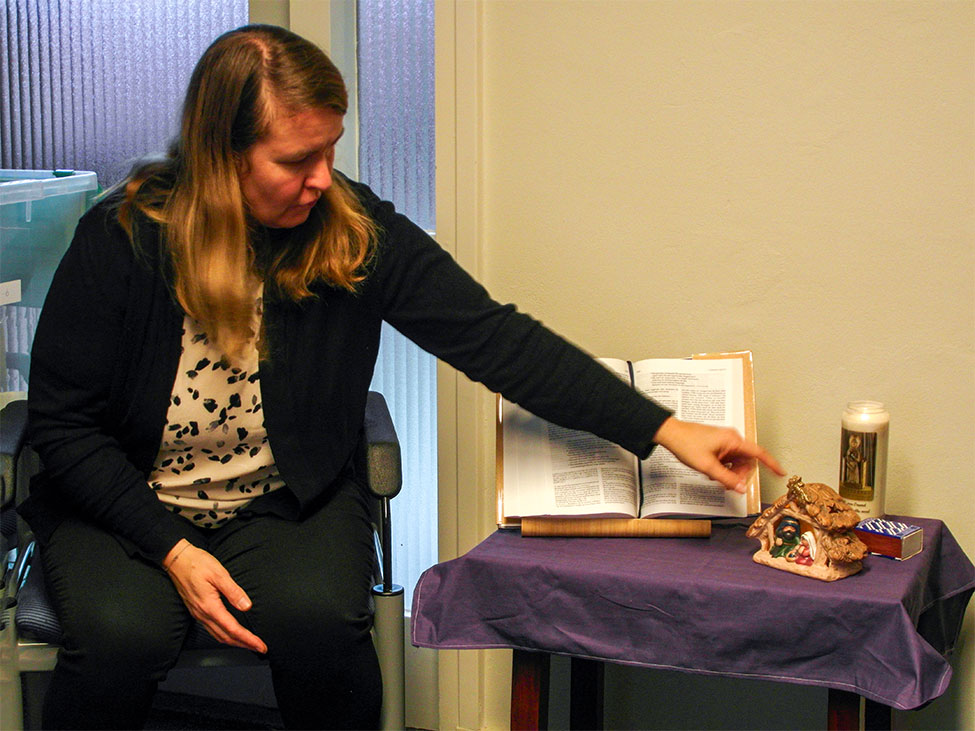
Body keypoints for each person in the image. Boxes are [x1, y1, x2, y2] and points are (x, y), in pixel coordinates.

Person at [21, 23, 784, 730]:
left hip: (281, 500)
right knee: (122, 635)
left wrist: (663, 428)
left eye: (330, 150)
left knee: (322, 622)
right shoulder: (121, 241)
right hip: (125, 503)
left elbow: (493, 337)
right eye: (295, 160)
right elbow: (64, 424)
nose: (323, 179)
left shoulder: (351, 230)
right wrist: (173, 549)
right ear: (221, 154)